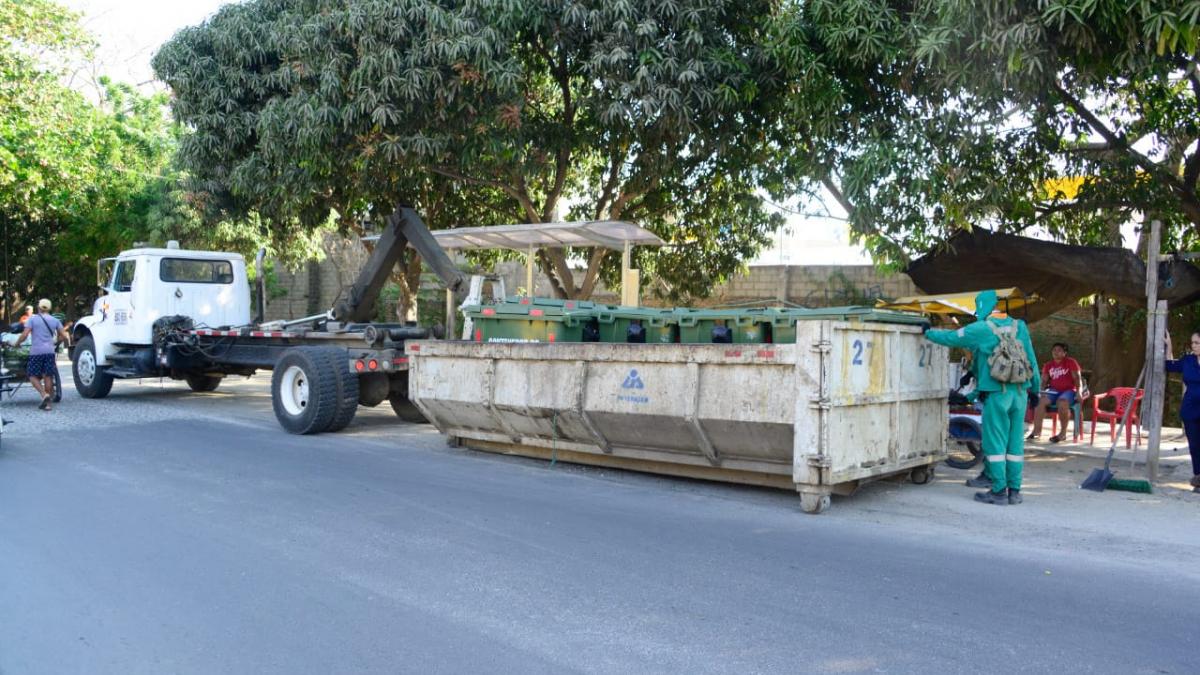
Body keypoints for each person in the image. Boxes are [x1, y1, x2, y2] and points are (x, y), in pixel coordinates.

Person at [924, 289, 1040, 505]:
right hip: (1020, 394)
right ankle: (1014, 491)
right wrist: (1036, 390)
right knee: (1015, 444)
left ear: (981, 307)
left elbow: (951, 338)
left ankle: (998, 491)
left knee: (995, 443)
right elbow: (1032, 360)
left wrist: (927, 333)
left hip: (997, 395)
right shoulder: (1019, 326)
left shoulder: (982, 328)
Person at [17, 298, 70, 411]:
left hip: (36, 352)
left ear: (39, 307)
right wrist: (55, 342)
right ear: (49, 308)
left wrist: (17, 343)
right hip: (49, 352)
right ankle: (48, 405)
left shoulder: (32, 319)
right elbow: (64, 335)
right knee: (48, 376)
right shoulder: (54, 320)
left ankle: (43, 394)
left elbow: (25, 334)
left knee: (31, 375)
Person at [1164, 331, 1200, 493]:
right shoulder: (1188, 360)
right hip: (1190, 409)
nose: (1193, 346)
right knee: (1194, 445)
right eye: (1192, 343)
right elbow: (1169, 365)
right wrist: (1169, 345)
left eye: (1197, 343)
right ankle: (1198, 477)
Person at [1027, 342, 1083, 443]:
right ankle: (1036, 431)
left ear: (1064, 353)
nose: (1056, 352)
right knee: (1040, 402)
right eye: (1054, 350)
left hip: (1069, 390)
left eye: (1059, 350)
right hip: (1054, 390)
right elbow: (1044, 380)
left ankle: (1062, 433)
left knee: (1062, 402)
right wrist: (1042, 392)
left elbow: (1077, 378)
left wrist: (1079, 391)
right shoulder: (1049, 365)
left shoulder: (1071, 362)